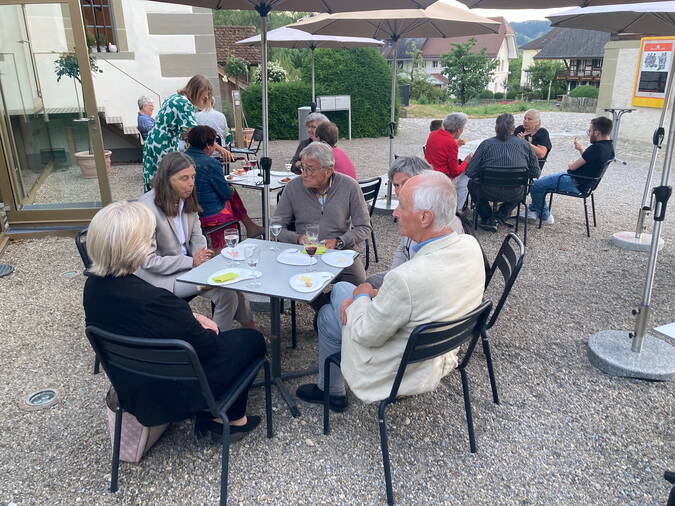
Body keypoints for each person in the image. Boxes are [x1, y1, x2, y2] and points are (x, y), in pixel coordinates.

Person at [295, 171, 486, 409]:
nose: (395, 212)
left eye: (402, 206)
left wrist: (362, 295)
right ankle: (330, 389)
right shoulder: (469, 245)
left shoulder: (406, 278)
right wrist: (363, 296)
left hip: (398, 365)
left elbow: (367, 334)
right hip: (440, 347)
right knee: (342, 291)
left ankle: (331, 390)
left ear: (425, 217)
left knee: (331, 310)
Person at [83, 200, 265, 438]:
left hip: (132, 384)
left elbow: (157, 321)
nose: (152, 244)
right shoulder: (155, 300)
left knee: (229, 339)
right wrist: (209, 327)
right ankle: (228, 419)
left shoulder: (94, 287)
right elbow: (208, 346)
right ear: (135, 247)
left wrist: (191, 315)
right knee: (250, 340)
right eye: (149, 239)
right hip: (174, 390)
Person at [135, 152, 255, 333]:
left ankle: (244, 329)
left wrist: (202, 261)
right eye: (184, 178)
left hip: (191, 270)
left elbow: (197, 236)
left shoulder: (186, 199)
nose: (191, 183)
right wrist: (192, 262)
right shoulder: (146, 208)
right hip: (164, 279)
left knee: (233, 280)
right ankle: (219, 343)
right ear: (166, 180)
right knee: (227, 291)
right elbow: (148, 262)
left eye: (192, 177)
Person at [275, 141, 371, 286]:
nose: (304, 174)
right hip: (304, 251)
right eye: (302, 167)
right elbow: (275, 226)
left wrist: (339, 241)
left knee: (358, 282)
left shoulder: (349, 186)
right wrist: (298, 238)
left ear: (328, 170)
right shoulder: (292, 187)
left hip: (340, 251)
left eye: (310, 169)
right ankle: (324, 306)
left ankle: (333, 304)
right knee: (286, 282)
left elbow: (364, 228)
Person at [365, 156, 464, 289]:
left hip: (417, 285)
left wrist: (383, 291)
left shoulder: (441, 223)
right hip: (406, 276)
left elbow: (423, 281)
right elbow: (402, 250)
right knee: (369, 281)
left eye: (405, 183)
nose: (399, 191)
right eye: (396, 185)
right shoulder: (414, 212)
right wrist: (392, 276)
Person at [142, 74, 232, 192]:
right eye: (205, 95)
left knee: (155, 182)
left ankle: (154, 208)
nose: (206, 98)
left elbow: (185, 133)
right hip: (163, 144)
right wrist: (221, 149)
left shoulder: (175, 97)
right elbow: (197, 135)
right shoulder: (184, 103)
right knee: (165, 185)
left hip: (153, 143)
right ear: (198, 91)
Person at [523, 116, 614, 225]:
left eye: (590, 131)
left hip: (575, 182)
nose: (589, 134)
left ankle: (544, 216)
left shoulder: (595, 148)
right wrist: (581, 149)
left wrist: (571, 163)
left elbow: (572, 167)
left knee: (536, 185)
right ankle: (535, 209)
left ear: (597, 132)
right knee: (543, 182)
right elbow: (590, 159)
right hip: (587, 183)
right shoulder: (609, 147)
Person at [186, 126, 263, 248]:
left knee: (230, 190)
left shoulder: (181, 159)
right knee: (231, 192)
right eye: (214, 143)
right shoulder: (210, 163)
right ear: (208, 146)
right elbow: (225, 194)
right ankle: (249, 227)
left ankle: (251, 227)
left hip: (186, 211)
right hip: (208, 214)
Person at [466, 113, 540, 232]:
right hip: (514, 192)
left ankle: (487, 217)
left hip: (486, 191)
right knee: (523, 187)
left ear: (496, 127)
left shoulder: (486, 144)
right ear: (513, 127)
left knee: (471, 184)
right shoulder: (525, 145)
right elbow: (536, 173)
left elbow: (470, 172)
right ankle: (500, 216)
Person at [424, 112, 473, 212]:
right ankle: (457, 210)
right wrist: (466, 162)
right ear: (459, 130)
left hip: (430, 172)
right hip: (443, 177)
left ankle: (452, 204)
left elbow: (440, 149)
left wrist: (455, 144)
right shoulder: (451, 143)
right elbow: (455, 172)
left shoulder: (433, 135)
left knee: (462, 175)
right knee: (466, 177)